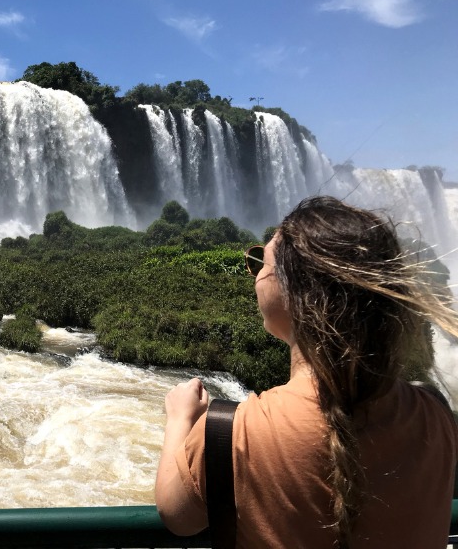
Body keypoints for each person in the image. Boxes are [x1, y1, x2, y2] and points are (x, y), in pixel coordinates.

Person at [155, 195, 458, 548]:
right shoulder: (436, 415)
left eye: (260, 262)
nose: (255, 275)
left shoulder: (231, 432)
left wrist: (180, 417)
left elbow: (177, 516)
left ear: (293, 290)